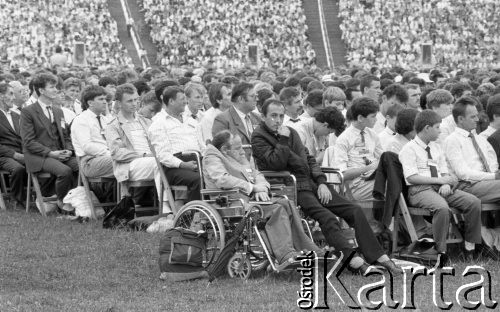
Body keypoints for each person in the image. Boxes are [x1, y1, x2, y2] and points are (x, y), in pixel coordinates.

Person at [251, 100, 402, 274]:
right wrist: (283, 140)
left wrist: (322, 182)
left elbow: (309, 160)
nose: (278, 120)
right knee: (327, 217)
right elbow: (275, 163)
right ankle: (354, 261)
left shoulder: (291, 132)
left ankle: (378, 257)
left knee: (353, 210)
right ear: (263, 117)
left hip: (312, 182)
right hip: (289, 187)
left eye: (280, 116)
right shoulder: (259, 136)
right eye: (273, 116)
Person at [204, 130, 324, 265]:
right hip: (229, 202)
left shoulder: (236, 158)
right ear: (225, 149)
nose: (243, 152)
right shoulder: (212, 157)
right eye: (238, 148)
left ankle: (307, 248)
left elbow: (256, 174)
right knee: (276, 209)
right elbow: (222, 180)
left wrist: (262, 188)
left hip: (246, 198)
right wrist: (253, 188)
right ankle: (286, 254)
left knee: (286, 203)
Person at [399, 110, 482, 264]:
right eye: (437, 127)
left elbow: (445, 172)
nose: (440, 130)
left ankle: (470, 246)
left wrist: (444, 183)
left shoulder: (437, 147)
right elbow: (411, 177)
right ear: (427, 128)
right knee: (442, 208)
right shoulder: (409, 149)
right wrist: (439, 181)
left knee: (473, 202)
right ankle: (439, 252)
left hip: (440, 187)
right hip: (419, 190)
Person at [20, 73, 78, 208]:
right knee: (65, 171)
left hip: (60, 154)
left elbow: (66, 136)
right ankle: (61, 203)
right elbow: (28, 141)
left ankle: (73, 200)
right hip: (38, 156)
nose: (56, 90)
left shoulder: (58, 111)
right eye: (52, 87)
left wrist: (68, 150)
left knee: (82, 167)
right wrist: (51, 153)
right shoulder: (28, 111)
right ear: (41, 90)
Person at [106, 84, 167, 212]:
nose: (134, 104)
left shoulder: (146, 121)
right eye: (129, 101)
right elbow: (117, 153)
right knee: (159, 163)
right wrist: (143, 155)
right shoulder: (113, 125)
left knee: (170, 162)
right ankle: (167, 210)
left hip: (151, 159)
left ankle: (181, 205)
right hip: (130, 165)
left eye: (136, 100)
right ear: (119, 103)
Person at [149, 86, 205, 203]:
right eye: (182, 99)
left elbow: (201, 146)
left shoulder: (191, 120)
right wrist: (183, 164)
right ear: (171, 101)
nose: (186, 102)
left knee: (218, 175)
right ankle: (195, 214)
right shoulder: (159, 123)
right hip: (174, 167)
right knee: (199, 179)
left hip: (197, 160)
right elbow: (163, 155)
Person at [444, 96, 500, 205]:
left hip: (488, 183)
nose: (477, 119)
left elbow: (492, 163)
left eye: (477, 116)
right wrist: (493, 176)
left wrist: (494, 176)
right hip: (468, 186)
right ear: (460, 119)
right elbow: (463, 173)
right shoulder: (452, 140)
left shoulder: (480, 139)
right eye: (473, 117)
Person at [71, 85, 114, 178]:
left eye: (105, 99)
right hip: (90, 162)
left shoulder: (105, 119)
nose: (105, 102)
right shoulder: (81, 120)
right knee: (123, 160)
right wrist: (109, 153)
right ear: (90, 103)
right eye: (101, 99)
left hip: (107, 157)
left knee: (132, 160)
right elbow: (87, 146)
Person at [0, 83, 26, 209]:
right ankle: (17, 201)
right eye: (10, 94)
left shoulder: (17, 115)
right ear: (1, 96)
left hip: (21, 153)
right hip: (4, 155)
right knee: (18, 168)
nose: (14, 98)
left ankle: (44, 198)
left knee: (43, 163)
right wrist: (14, 155)